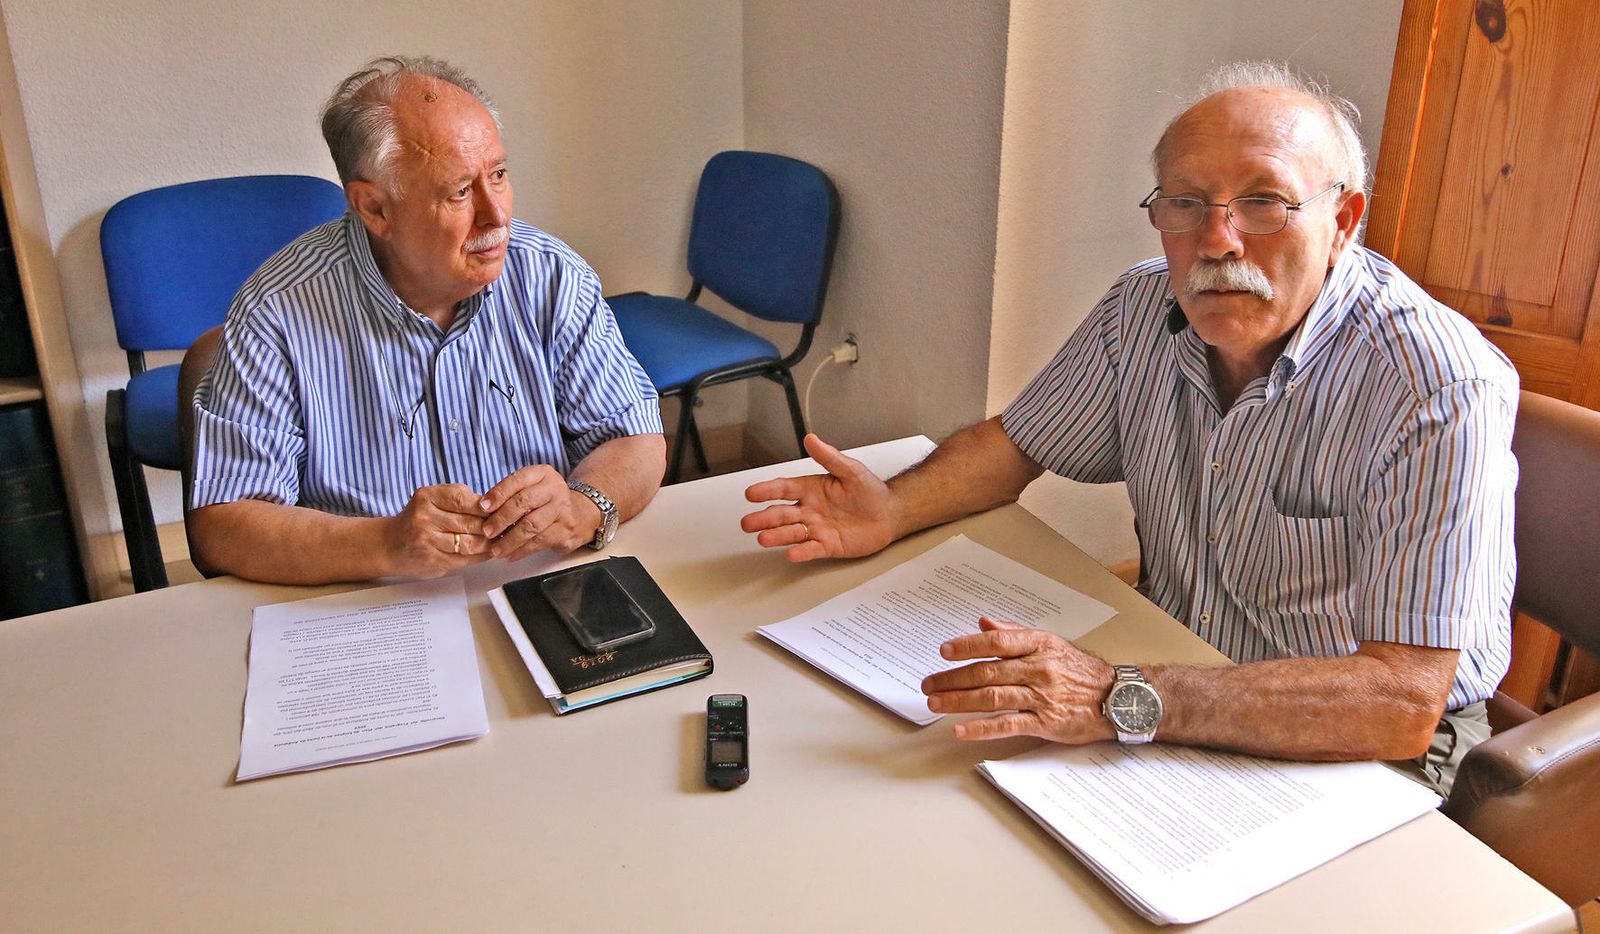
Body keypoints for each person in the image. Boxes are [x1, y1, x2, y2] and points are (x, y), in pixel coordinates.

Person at [741, 61, 1518, 795]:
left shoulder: (1437, 386)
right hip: (1182, 675)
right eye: (1185, 203)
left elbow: (1400, 700)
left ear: (1343, 219)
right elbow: (1016, 446)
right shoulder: (1142, 308)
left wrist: (1119, 695)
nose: (1217, 241)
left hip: (1363, 739)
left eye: (1264, 202)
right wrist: (893, 508)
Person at [189, 56, 665, 584]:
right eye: (459, 191)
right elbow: (224, 525)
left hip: (537, 582)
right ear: (375, 209)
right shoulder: (276, 310)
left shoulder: (550, 274)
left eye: (499, 175)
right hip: (364, 600)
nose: (497, 215)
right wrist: (386, 543)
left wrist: (582, 507)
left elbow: (634, 439)